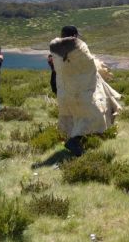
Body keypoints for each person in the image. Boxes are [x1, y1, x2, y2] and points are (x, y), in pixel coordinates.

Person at [49, 26, 122, 156]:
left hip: (64, 93)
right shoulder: (80, 51)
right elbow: (90, 65)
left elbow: (58, 72)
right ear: (75, 36)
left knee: (77, 118)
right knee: (96, 116)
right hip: (80, 93)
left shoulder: (55, 55)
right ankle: (74, 142)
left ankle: (79, 145)